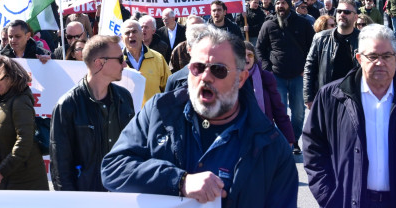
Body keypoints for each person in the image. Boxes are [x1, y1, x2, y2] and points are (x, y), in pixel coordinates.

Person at [101, 27, 297, 207]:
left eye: (218, 70)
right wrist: (179, 181)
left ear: (241, 79)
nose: (205, 76)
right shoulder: (158, 112)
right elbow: (113, 168)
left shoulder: (271, 147)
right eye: (197, 68)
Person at [301, 24, 396, 208]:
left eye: (387, 56)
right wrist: (328, 196)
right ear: (359, 58)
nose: (380, 62)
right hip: (351, 202)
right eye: (372, 56)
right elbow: (313, 148)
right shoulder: (331, 97)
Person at [51, 34, 135, 191]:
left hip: (123, 193)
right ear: (99, 63)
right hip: (87, 197)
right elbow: (60, 167)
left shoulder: (124, 98)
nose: (124, 64)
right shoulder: (67, 105)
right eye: (119, 59)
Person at [256, 0, 315, 154]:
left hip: (298, 75)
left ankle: (295, 140)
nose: (280, 6)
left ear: (289, 5)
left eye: (283, 3)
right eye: (277, 4)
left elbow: (312, 48)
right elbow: (259, 49)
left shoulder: (303, 24)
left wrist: (306, 67)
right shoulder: (268, 25)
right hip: (276, 76)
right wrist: (267, 69)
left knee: (298, 113)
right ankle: (284, 142)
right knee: (280, 112)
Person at [0, 56, 48, 190]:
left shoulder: (20, 101)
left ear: (12, 77)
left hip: (24, 179)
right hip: (4, 175)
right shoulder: (1, 99)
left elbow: (24, 141)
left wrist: (3, 169)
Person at [304, 0, 360, 110]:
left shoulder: (364, 38)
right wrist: (308, 97)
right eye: (339, 11)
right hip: (327, 96)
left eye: (347, 12)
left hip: (354, 99)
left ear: (355, 17)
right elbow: (310, 67)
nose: (342, 14)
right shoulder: (320, 37)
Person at [243, 41, 294, 145]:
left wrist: (289, 138)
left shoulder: (266, 77)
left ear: (254, 57)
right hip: (242, 137)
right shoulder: (231, 79)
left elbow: (278, 109)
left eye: (250, 55)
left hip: (265, 133)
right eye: (242, 55)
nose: (246, 58)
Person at [121, 19, 168, 104]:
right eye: (127, 33)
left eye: (134, 31)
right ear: (122, 38)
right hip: (127, 116)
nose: (131, 35)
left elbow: (169, 88)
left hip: (153, 114)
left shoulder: (158, 58)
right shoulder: (116, 61)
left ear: (142, 34)